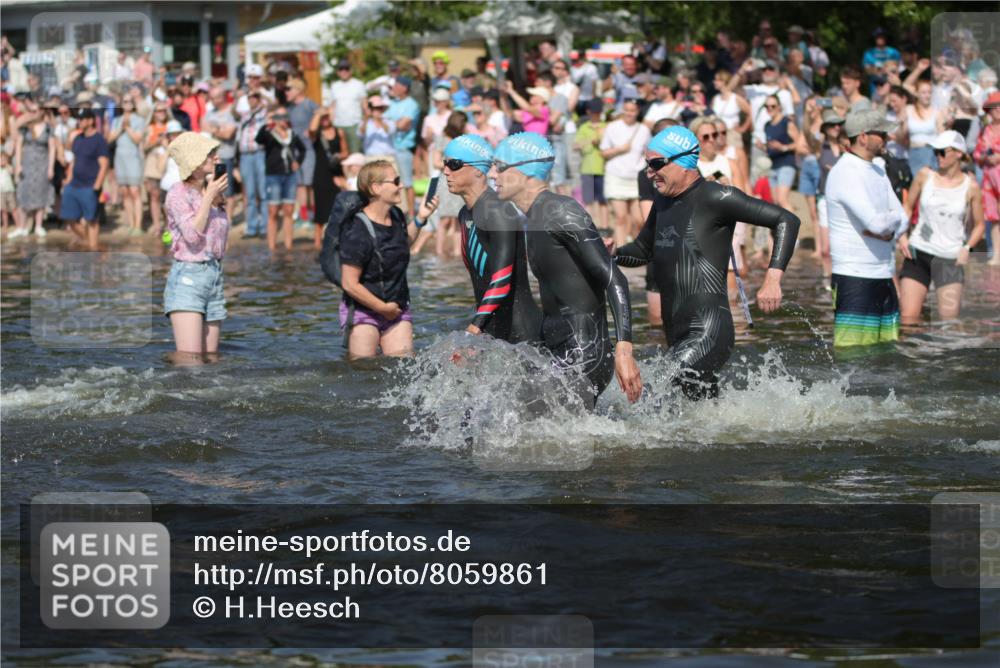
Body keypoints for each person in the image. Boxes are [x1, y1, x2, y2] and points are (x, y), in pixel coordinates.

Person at [616, 125, 798, 400]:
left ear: (683, 162)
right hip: (676, 334)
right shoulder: (663, 201)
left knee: (649, 399)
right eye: (647, 164)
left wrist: (772, 279)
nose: (650, 173)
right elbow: (643, 249)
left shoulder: (716, 197)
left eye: (656, 164)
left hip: (708, 333)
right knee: (694, 416)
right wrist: (611, 252)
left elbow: (787, 219)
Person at [489, 132, 642, 409]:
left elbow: (613, 277)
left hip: (585, 352)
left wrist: (623, 349)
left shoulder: (561, 210)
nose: (492, 174)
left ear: (526, 171)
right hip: (559, 350)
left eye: (499, 166)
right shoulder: (534, 216)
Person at [441, 134, 541, 342]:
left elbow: (502, 279)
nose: (445, 171)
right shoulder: (465, 213)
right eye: (445, 164)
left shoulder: (498, 210)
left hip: (521, 333)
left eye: (454, 164)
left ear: (478, 170)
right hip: (491, 328)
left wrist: (473, 329)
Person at [824, 109, 910, 348]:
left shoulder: (878, 170)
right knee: (853, 358)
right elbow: (876, 223)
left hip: (884, 274)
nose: (888, 138)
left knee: (887, 355)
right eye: (881, 133)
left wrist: (887, 227)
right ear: (863, 137)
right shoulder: (845, 172)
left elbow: (902, 219)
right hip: (855, 277)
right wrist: (886, 224)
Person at [339, 160, 438, 358]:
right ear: (376, 188)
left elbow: (402, 244)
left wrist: (420, 218)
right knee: (363, 372)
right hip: (363, 311)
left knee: (403, 369)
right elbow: (349, 284)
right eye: (395, 181)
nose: (401, 185)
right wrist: (382, 308)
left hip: (397, 308)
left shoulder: (396, 215)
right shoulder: (356, 230)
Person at [898, 130, 985, 324]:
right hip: (918, 253)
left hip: (950, 259)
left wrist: (967, 248)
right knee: (908, 319)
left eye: (942, 152)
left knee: (948, 323)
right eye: (935, 152)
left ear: (959, 153)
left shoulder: (970, 187)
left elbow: (980, 225)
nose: (938, 156)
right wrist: (901, 235)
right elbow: (908, 206)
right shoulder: (924, 175)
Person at [162, 131, 230, 363]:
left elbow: (218, 239)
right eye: (209, 153)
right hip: (188, 278)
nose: (215, 157)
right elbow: (192, 235)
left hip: (214, 276)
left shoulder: (210, 191)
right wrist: (209, 196)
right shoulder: (177, 194)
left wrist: (213, 194)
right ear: (195, 160)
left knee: (212, 360)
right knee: (191, 361)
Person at [600, 98, 651, 247]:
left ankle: (639, 251)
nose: (629, 113)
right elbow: (603, 153)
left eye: (632, 110)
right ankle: (620, 252)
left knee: (639, 219)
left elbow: (647, 152)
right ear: (623, 110)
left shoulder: (644, 129)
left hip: (636, 177)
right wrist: (620, 149)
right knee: (621, 217)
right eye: (626, 110)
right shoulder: (612, 127)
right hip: (616, 176)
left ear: (637, 112)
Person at [256, 107, 306, 251]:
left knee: (289, 210)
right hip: (274, 175)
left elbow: (302, 150)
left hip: (290, 175)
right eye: (280, 117)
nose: (283, 119)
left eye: (285, 116)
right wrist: (267, 124)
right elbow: (259, 139)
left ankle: (288, 245)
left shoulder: (292, 134)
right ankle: (272, 246)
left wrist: (298, 161)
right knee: (273, 210)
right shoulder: (269, 134)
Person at [61, 109, 109, 250]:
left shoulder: (99, 140)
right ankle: (90, 243)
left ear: (90, 120)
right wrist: (68, 180)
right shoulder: (78, 138)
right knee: (68, 218)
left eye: (82, 119)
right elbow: (74, 161)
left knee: (92, 220)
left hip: (90, 185)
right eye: (79, 119)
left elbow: (104, 164)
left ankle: (93, 248)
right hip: (74, 184)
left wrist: (97, 186)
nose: (79, 121)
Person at [13, 96, 55, 239]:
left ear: (42, 111)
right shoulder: (25, 128)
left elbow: (52, 148)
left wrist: (50, 167)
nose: (33, 113)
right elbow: (18, 146)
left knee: (41, 193)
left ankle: (38, 225)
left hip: (42, 163)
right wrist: (18, 164)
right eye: (31, 111)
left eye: (36, 111)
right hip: (27, 163)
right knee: (23, 193)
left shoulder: (48, 128)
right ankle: (22, 226)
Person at [310, 106, 348, 250]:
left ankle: (338, 238)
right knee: (320, 210)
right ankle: (317, 243)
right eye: (322, 118)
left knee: (338, 207)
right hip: (321, 174)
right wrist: (319, 114)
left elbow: (346, 152)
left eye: (327, 117)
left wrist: (339, 156)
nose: (324, 119)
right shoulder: (317, 134)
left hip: (336, 173)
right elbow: (311, 129)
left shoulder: (339, 132)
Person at [108, 96, 146, 235]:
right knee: (124, 192)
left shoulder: (139, 120)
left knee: (135, 191)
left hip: (133, 158)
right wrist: (120, 128)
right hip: (120, 158)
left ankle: (138, 225)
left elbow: (137, 139)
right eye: (125, 101)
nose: (127, 104)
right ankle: (130, 223)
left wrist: (128, 127)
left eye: (130, 101)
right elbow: (110, 138)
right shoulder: (117, 120)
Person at [758, 94, 799, 220]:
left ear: (779, 107)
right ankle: (781, 234)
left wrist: (783, 147)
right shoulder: (767, 125)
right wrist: (763, 147)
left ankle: (794, 235)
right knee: (775, 201)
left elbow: (799, 144)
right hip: (773, 165)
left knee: (782, 199)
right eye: (767, 106)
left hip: (786, 163)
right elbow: (771, 147)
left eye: (773, 106)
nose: (769, 108)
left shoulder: (787, 122)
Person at [236, 89, 268, 239]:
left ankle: (264, 227)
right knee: (249, 193)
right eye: (251, 97)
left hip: (259, 154)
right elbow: (232, 110)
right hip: (245, 156)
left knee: (262, 191)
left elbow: (273, 104)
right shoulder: (243, 114)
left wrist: (262, 96)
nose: (253, 99)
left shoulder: (264, 112)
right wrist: (239, 95)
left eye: (256, 97)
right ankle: (251, 227)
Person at [385, 76, 420, 213]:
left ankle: (411, 214)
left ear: (404, 88)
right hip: (389, 149)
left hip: (403, 149)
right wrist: (396, 123)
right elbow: (388, 123)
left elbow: (404, 125)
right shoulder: (392, 103)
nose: (393, 88)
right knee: (390, 183)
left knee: (406, 183)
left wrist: (391, 123)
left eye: (396, 85)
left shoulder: (412, 104)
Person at [201, 88, 238, 217]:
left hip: (225, 156)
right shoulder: (209, 113)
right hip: (210, 159)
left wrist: (214, 130)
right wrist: (219, 129)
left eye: (217, 97)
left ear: (224, 96)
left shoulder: (230, 112)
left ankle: (227, 220)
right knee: (212, 189)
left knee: (227, 190)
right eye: (212, 98)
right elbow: (203, 127)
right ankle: (217, 218)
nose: (214, 101)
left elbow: (228, 134)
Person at [287, 78, 319, 223]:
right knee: (299, 184)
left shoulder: (309, 104)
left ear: (298, 90)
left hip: (309, 149)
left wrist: (313, 130)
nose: (286, 92)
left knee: (309, 184)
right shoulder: (290, 107)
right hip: (295, 151)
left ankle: (313, 215)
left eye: (289, 89)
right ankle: (303, 216)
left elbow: (323, 113)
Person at [973, 91, 1000, 264]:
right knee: (994, 217)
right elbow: (977, 154)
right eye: (994, 107)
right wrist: (984, 158)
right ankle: (997, 253)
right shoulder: (985, 130)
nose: (997, 110)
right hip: (989, 178)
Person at [574, 99, 609, 232]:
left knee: (603, 200)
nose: (596, 115)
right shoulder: (584, 127)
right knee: (588, 200)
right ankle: (590, 226)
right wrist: (591, 140)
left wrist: (602, 136)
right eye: (594, 112)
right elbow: (576, 145)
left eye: (598, 112)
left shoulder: (606, 126)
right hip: (587, 169)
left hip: (603, 169)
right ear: (588, 112)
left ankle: (605, 227)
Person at [901, 79, 944, 176]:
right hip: (914, 153)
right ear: (916, 93)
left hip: (932, 153)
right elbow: (902, 135)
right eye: (923, 92)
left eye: (929, 92)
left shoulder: (937, 112)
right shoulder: (908, 109)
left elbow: (942, 136)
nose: (927, 95)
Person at [142, 104, 171, 236]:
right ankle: (157, 225)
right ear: (154, 113)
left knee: (168, 196)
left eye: (163, 110)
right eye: (158, 111)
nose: (161, 113)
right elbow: (144, 147)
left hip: (168, 161)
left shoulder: (171, 125)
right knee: (154, 195)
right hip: (153, 161)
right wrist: (157, 141)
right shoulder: (150, 128)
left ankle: (168, 223)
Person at [329, 59, 367, 155]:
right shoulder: (334, 86)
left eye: (346, 68)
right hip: (338, 125)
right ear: (337, 72)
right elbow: (332, 105)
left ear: (351, 71)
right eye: (341, 69)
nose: (344, 71)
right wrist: (331, 122)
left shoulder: (358, 84)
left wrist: (365, 123)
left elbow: (365, 105)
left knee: (355, 154)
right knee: (341, 154)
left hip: (354, 124)